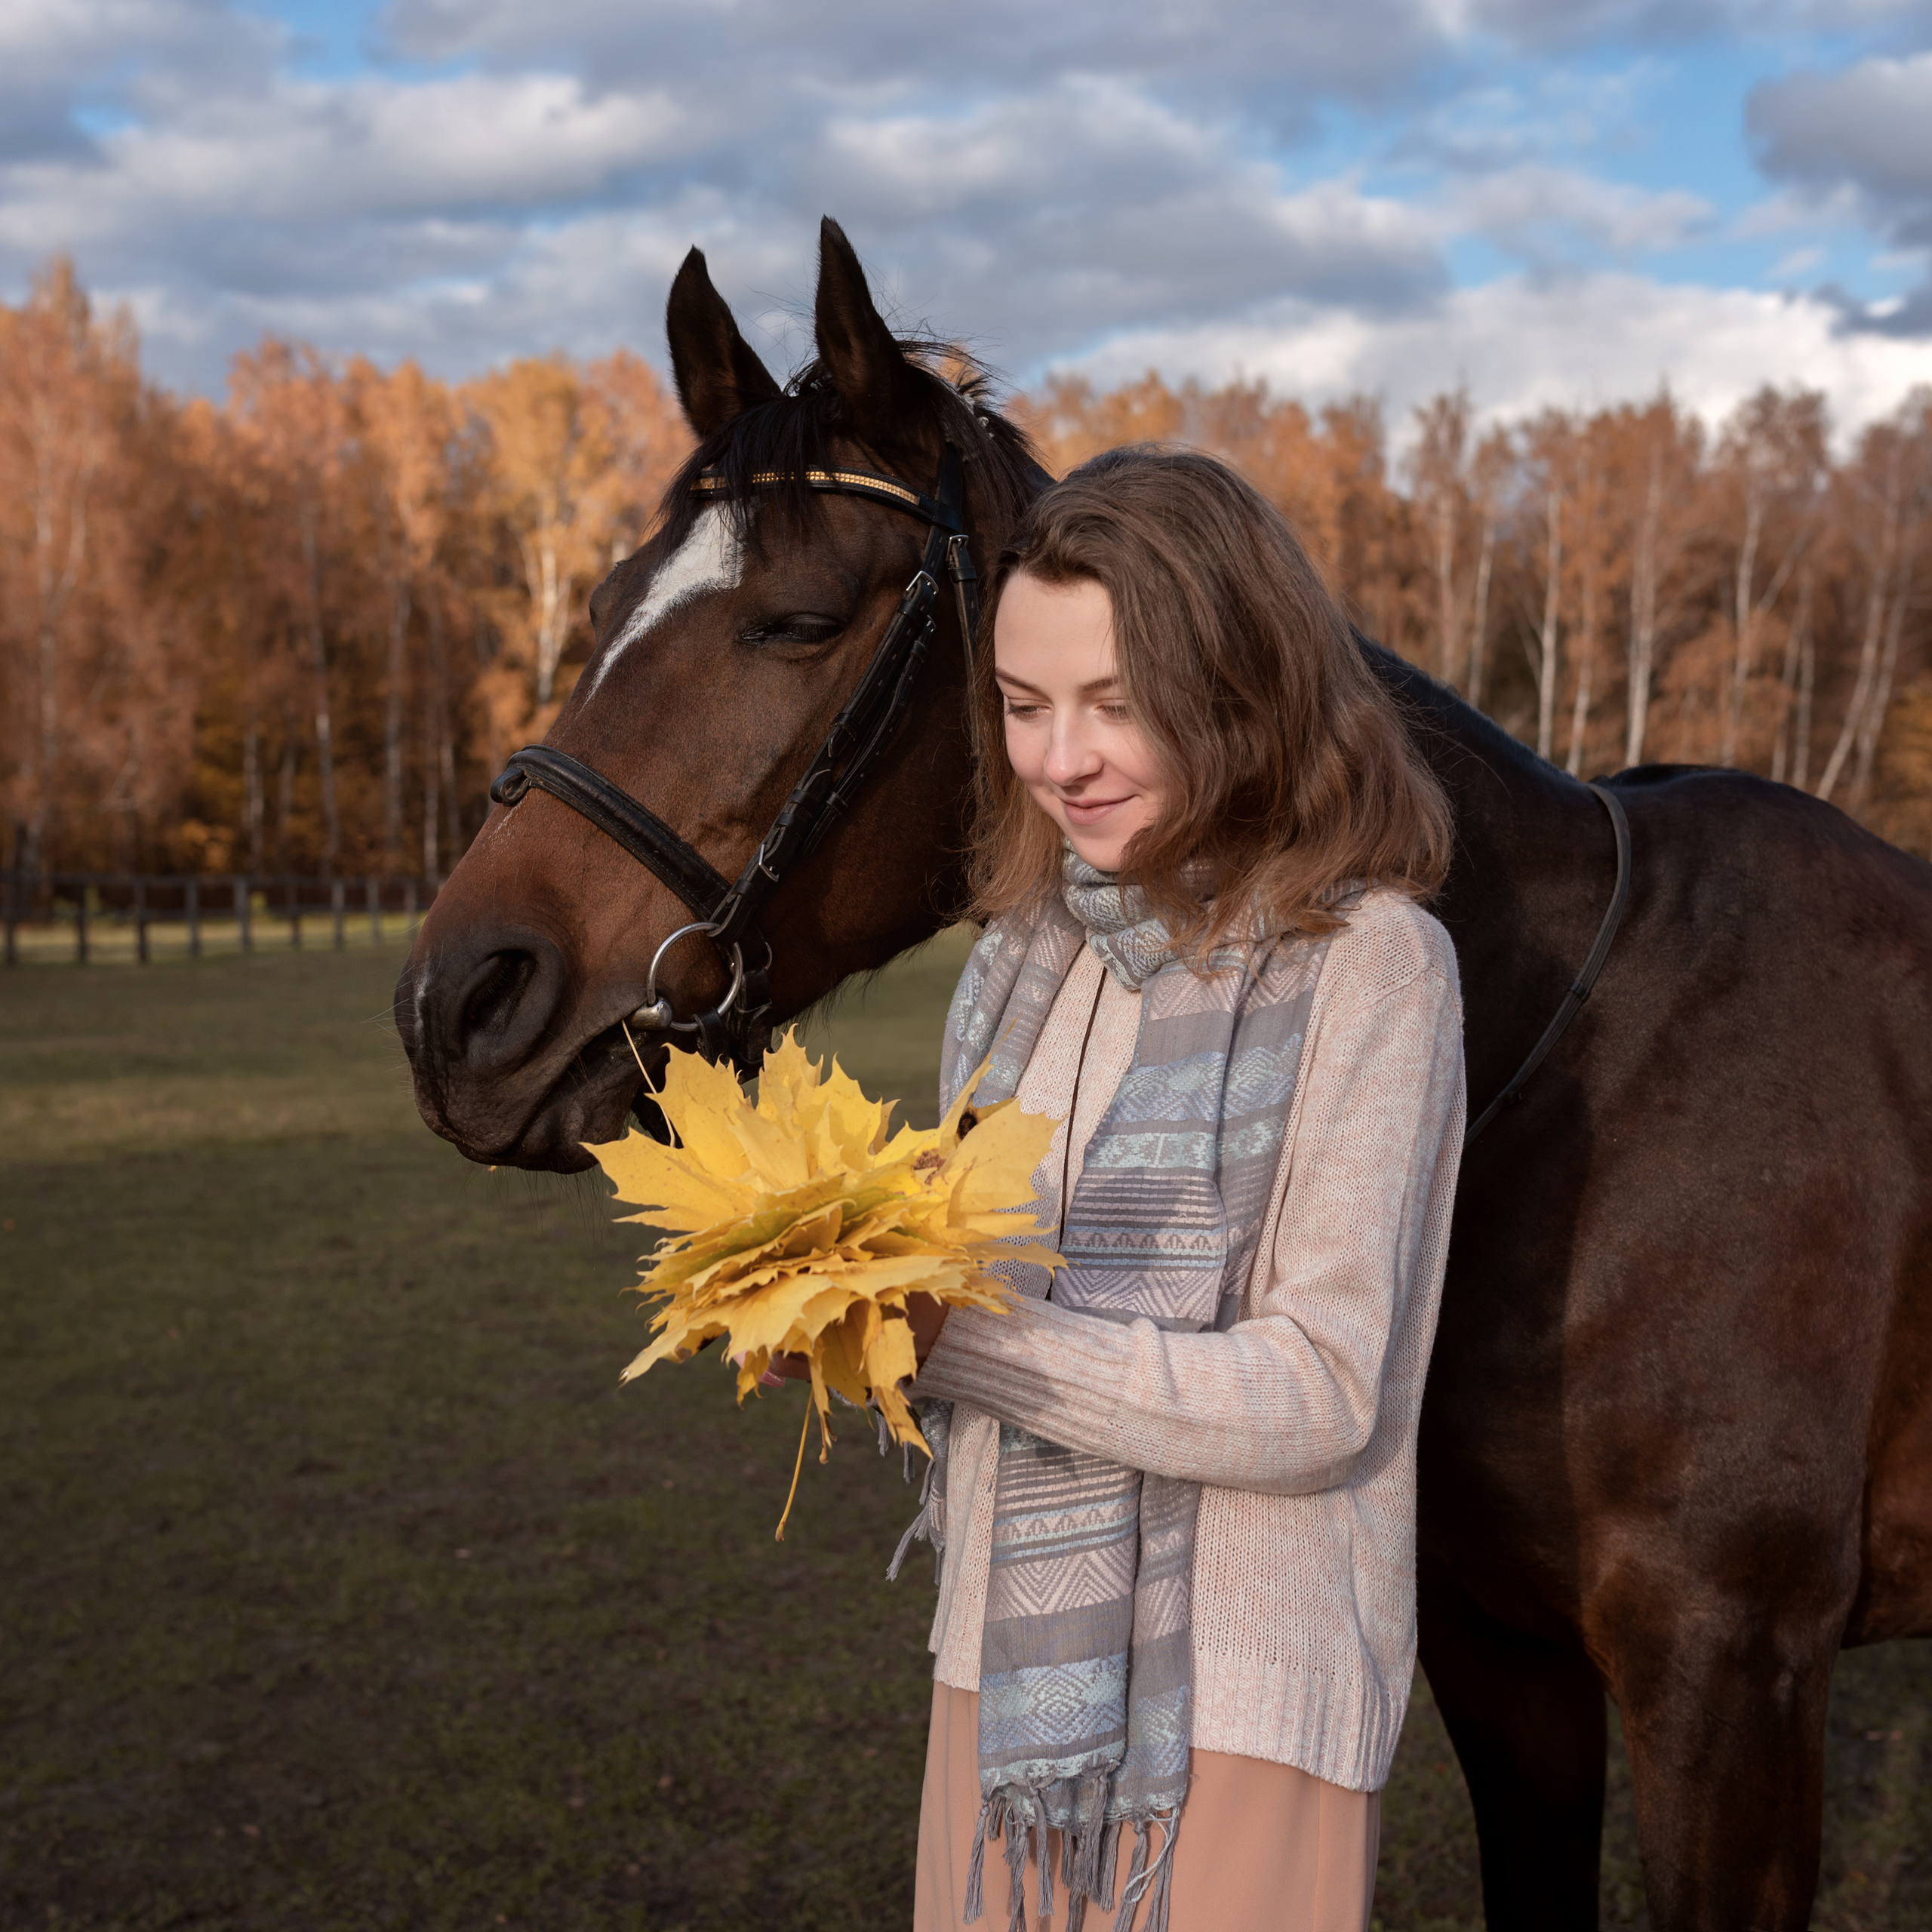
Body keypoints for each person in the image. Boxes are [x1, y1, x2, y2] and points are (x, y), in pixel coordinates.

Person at [895, 445, 1466, 1932]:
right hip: (998, 1683)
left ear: (1241, 684)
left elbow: (1322, 1390)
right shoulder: (1019, 967)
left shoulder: (1373, 965)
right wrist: (832, 1311)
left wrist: (960, 1340)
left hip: (1243, 1709)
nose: (1058, 756)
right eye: (1022, 704)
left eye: (1115, 701)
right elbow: (950, 1301)